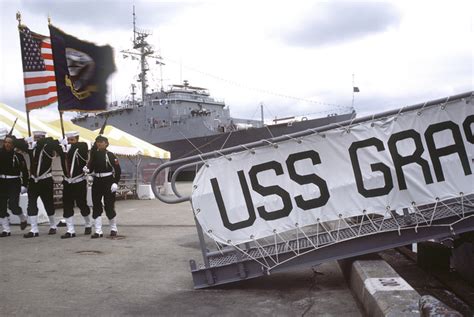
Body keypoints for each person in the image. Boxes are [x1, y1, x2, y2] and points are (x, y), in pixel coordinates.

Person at [24, 131, 62, 238]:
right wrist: (26, 141)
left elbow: (54, 143)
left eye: (38, 138)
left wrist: (59, 141)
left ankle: (53, 225)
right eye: (35, 138)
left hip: (45, 180)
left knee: (48, 203)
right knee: (31, 204)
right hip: (33, 180)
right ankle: (34, 229)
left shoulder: (48, 146)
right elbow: (17, 144)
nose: (36, 140)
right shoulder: (32, 147)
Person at [86, 135, 121, 238]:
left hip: (108, 181)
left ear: (106, 143)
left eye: (102, 142)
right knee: (96, 205)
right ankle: (98, 230)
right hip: (97, 181)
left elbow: (117, 170)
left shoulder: (110, 155)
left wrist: (115, 182)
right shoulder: (94, 154)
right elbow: (91, 168)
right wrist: (87, 169)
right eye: (98, 142)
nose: (99, 143)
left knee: (109, 205)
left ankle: (113, 228)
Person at [58, 131, 92, 239]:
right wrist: (60, 142)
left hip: (79, 182)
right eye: (68, 140)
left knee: (82, 204)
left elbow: (83, 146)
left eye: (72, 140)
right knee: (67, 205)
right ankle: (70, 230)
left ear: (77, 139)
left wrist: (68, 146)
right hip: (68, 182)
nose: (70, 142)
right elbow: (51, 145)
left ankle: (88, 224)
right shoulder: (63, 149)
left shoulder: (81, 147)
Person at [0, 135, 29, 237]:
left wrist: (24, 185)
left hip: (14, 182)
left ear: (13, 145)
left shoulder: (18, 156)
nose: (7, 144)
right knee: (1, 206)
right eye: (6, 142)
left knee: (13, 205)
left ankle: (22, 218)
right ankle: (6, 230)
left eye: (10, 143)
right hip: (2, 182)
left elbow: (25, 172)